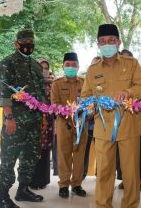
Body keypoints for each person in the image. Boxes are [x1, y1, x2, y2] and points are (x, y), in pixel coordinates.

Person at [81, 24, 141, 208]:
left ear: (118, 42)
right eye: (103, 41)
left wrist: (127, 92)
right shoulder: (92, 69)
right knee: (103, 173)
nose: (107, 44)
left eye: (111, 41)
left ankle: (131, 205)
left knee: (130, 174)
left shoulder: (131, 63)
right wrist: (90, 106)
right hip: (102, 128)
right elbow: (86, 96)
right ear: (98, 44)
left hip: (128, 126)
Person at [0, 29, 46, 208]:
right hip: (15, 121)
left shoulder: (36, 66)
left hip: (34, 120)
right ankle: (3, 197)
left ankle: (23, 190)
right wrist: (9, 117)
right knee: (9, 158)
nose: (28, 46)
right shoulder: (7, 63)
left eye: (31, 43)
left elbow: (41, 93)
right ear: (16, 44)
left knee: (30, 157)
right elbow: (3, 93)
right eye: (24, 43)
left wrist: (43, 118)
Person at [51, 52, 88, 198]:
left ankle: (77, 184)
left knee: (79, 155)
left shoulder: (85, 83)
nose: (71, 67)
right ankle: (64, 185)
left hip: (81, 123)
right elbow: (55, 104)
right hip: (63, 123)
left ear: (78, 66)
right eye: (68, 65)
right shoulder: (57, 84)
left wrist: (84, 113)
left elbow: (89, 102)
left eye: (73, 65)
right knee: (63, 154)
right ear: (63, 66)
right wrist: (67, 116)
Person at [117, 49, 141, 192]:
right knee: (121, 156)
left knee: (137, 154)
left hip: (134, 121)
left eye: (128, 58)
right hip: (116, 124)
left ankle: (139, 179)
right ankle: (124, 179)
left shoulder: (136, 74)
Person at [29, 58, 55, 189]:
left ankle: (43, 181)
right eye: (41, 68)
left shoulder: (52, 85)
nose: (44, 71)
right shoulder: (31, 84)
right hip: (34, 123)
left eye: (46, 68)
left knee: (45, 151)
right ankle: (32, 181)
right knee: (33, 151)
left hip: (49, 123)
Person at [83, 56, 100, 179]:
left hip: (103, 125)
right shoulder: (87, 82)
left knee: (103, 152)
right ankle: (81, 176)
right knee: (84, 151)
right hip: (88, 125)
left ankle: (101, 175)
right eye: (93, 65)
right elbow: (84, 99)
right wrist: (90, 111)